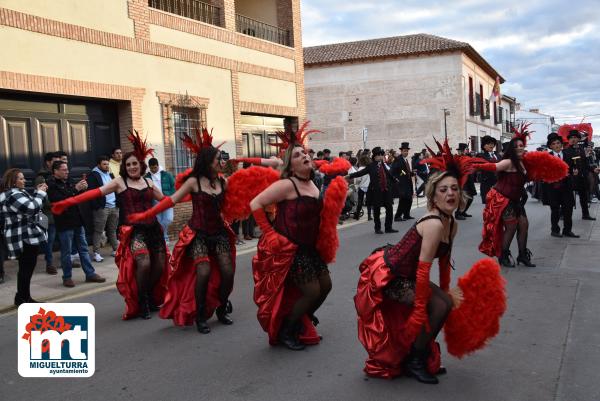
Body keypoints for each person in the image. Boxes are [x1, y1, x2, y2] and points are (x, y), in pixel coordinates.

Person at [354, 139, 502, 383]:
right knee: (439, 307)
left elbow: (444, 263)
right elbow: (423, 271)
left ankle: (419, 352)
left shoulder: (450, 222)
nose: (450, 194)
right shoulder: (433, 223)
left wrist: (445, 291)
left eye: (454, 188)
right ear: (433, 194)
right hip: (391, 277)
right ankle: (415, 359)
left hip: (407, 274)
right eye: (443, 190)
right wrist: (421, 308)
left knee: (444, 302)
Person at [250, 123, 347, 350]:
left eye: (304, 152)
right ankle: (287, 330)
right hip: (290, 249)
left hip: (310, 248)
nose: (304, 155)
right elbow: (255, 203)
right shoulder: (287, 184)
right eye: (297, 154)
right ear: (290, 165)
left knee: (326, 286)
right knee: (311, 291)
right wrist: (269, 233)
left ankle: (302, 318)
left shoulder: (312, 183)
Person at [51, 131, 168, 319]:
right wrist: (70, 201)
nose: (131, 167)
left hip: (153, 229)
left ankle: (149, 294)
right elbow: (95, 193)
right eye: (127, 164)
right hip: (134, 230)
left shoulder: (147, 181)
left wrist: (189, 194)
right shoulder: (119, 182)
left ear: (140, 165)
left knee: (160, 265)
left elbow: (165, 201)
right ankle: (141, 300)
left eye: (134, 163)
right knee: (143, 263)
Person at [129, 129, 236, 331]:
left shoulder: (223, 181)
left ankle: (222, 308)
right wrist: (145, 215)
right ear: (207, 162)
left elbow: (236, 201)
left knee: (227, 271)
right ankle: (201, 315)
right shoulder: (193, 182)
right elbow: (171, 200)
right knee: (203, 271)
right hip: (199, 234)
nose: (220, 162)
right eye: (216, 159)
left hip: (219, 232)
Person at [47, 161, 106, 287]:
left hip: (78, 220)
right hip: (64, 222)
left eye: (67, 169)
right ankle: (67, 277)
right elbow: (59, 200)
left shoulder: (70, 180)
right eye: (63, 170)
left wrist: (82, 189)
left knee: (84, 249)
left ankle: (90, 273)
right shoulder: (51, 184)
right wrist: (76, 189)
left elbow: (76, 197)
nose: (67, 172)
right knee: (66, 251)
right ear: (55, 171)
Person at [0, 169, 48, 305]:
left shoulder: (12, 194)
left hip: (23, 235)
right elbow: (31, 208)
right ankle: (22, 298)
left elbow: (28, 206)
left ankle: (22, 297)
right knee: (26, 268)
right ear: (13, 181)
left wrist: (37, 193)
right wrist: (41, 193)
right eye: (21, 179)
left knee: (26, 268)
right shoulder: (13, 195)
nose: (24, 180)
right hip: (23, 236)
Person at [347, 147, 398, 234]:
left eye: (381, 155)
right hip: (376, 191)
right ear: (374, 156)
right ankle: (377, 228)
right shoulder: (371, 166)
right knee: (377, 210)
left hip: (385, 190)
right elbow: (360, 173)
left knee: (389, 208)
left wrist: (395, 179)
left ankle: (388, 227)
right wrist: (349, 176)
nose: (381, 156)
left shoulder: (382, 164)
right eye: (379, 155)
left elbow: (388, 174)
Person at [543, 134, 578, 238]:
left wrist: (574, 171)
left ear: (561, 144)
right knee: (555, 209)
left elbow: (573, 167)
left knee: (568, 209)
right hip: (553, 187)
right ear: (550, 146)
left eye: (558, 143)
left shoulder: (568, 154)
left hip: (566, 186)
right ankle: (555, 230)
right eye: (554, 144)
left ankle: (567, 230)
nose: (557, 145)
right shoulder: (547, 157)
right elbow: (544, 172)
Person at [87, 155, 119, 262]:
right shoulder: (93, 175)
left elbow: (116, 187)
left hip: (114, 206)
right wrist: (97, 206)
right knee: (98, 231)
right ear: (98, 165)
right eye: (104, 164)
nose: (106, 166)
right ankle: (96, 252)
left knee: (113, 230)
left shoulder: (110, 174)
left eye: (107, 164)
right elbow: (91, 192)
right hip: (102, 208)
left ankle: (116, 250)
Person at [34, 152, 60, 275]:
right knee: (48, 240)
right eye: (55, 161)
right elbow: (41, 197)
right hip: (46, 214)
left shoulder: (56, 175)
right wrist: (53, 204)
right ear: (48, 162)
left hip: (56, 212)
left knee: (54, 238)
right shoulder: (41, 178)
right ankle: (49, 264)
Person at [563, 130, 597, 220]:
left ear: (578, 139)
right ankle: (562, 214)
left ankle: (585, 214)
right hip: (571, 178)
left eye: (575, 137)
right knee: (567, 198)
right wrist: (571, 171)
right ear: (569, 140)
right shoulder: (565, 151)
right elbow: (564, 166)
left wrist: (593, 169)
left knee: (584, 197)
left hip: (582, 178)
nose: (573, 139)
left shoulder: (582, 150)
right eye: (571, 138)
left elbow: (585, 165)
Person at [145, 158, 176, 243]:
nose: (153, 170)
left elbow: (173, 187)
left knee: (169, 219)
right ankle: (164, 237)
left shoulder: (167, 175)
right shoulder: (146, 177)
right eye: (151, 168)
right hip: (154, 202)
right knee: (158, 220)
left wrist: (173, 198)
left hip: (166, 200)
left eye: (155, 167)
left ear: (158, 165)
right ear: (149, 167)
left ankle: (162, 234)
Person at [391, 142, 415, 221]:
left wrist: (412, 173)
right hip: (402, 183)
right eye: (404, 151)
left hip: (408, 182)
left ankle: (406, 214)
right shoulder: (398, 159)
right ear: (401, 151)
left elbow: (405, 171)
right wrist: (400, 176)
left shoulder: (405, 160)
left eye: (407, 151)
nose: (406, 152)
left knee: (409, 199)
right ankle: (398, 216)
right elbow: (394, 171)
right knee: (403, 200)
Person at [455, 143, 477, 220]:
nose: (467, 150)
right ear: (462, 150)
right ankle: (458, 213)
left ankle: (463, 211)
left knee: (471, 197)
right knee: (464, 198)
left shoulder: (468, 157)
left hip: (469, 179)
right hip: (463, 180)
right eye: (466, 149)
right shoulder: (457, 159)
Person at [477, 136, 500, 204]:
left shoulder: (498, 155)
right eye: (489, 143)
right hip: (487, 183)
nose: (491, 145)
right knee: (489, 203)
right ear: (484, 146)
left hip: (498, 183)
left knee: (499, 203)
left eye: (492, 143)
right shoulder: (481, 156)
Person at [354, 155, 372, 220]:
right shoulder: (370, 168)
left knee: (360, 201)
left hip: (362, 186)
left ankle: (357, 215)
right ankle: (369, 216)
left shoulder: (360, 169)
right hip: (369, 186)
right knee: (369, 202)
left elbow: (358, 179)